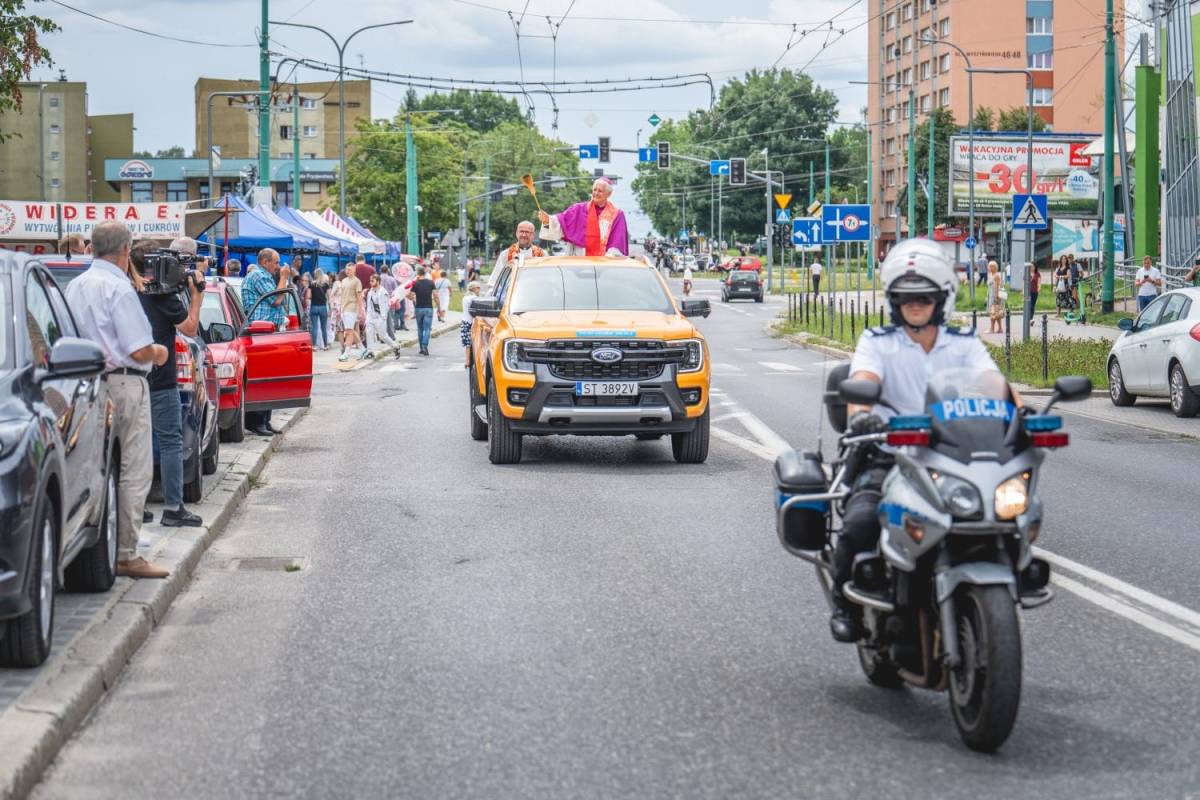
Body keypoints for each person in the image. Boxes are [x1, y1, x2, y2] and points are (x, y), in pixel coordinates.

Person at [829, 238, 1000, 642]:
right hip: (889, 458)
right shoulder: (878, 341)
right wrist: (863, 418)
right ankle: (845, 603)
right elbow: (864, 380)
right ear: (894, 300)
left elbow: (994, 383)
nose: (916, 304)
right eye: (906, 298)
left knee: (1003, 513)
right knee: (858, 524)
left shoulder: (964, 344)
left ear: (942, 298)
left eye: (924, 296)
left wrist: (1020, 411)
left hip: (955, 459)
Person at [64, 221, 172, 579]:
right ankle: (127, 552)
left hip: (86, 384)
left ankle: (99, 545)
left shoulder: (76, 286)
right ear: (126, 250)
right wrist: (159, 352)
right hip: (125, 383)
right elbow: (138, 349)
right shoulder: (119, 289)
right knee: (134, 470)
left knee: (95, 469)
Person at [131, 239, 206, 528]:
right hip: (160, 378)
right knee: (171, 442)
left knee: (134, 444)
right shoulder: (162, 296)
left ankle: (137, 505)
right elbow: (189, 328)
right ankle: (173, 508)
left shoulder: (127, 290)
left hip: (130, 376)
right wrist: (197, 296)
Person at [241, 248, 292, 435]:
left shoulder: (265, 276)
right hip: (260, 331)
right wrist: (284, 277)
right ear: (265, 262)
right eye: (276, 262)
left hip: (268, 330)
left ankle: (266, 420)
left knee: (271, 375)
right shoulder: (259, 276)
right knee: (263, 375)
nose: (278, 266)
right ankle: (257, 421)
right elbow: (276, 300)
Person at [537, 177, 630, 256]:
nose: (596, 193)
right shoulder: (578, 209)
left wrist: (609, 258)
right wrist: (547, 220)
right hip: (578, 259)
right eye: (595, 190)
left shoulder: (617, 215)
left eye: (600, 191)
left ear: (608, 194)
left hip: (603, 262)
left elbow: (617, 241)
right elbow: (561, 222)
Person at [336, 264, 365, 362]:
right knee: (351, 330)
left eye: (349, 269)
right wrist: (340, 309)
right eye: (346, 269)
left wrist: (361, 310)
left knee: (348, 331)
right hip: (344, 309)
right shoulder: (343, 281)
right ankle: (362, 349)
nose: (348, 271)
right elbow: (342, 296)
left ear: (354, 270)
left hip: (352, 308)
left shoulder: (357, 281)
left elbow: (359, 296)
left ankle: (346, 353)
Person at [409, 265, 438, 356]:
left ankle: (421, 348)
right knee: (427, 328)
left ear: (418, 273)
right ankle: (425, 345)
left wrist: (408, 293)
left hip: (418, 308)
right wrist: (439, 307)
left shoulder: (415, 283)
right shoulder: (431, 282)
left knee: (420, 329)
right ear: (425, 274)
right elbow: (435, 295)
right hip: (429, 308)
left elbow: (411, 297)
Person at [364, 273, 396, 356]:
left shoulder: (383, 292)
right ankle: (370, 351)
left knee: (383, 336)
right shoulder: (370, 292)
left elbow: (385, 306)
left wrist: (383, 318)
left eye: (372, 281)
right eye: (370, 281)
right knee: (369, 333)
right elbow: (369, 305)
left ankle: (395, 346)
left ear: (378, 281)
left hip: (380, 317)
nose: (370, 282)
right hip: (371, 317)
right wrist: (367, 317)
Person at [461, 280, 482, 367]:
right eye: (478, 288)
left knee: (467, 344)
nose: (479, 290)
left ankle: (467, 360)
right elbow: (476, 311)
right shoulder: (474, 298)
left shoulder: (465, 298)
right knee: (477, 342)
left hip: (465, 322)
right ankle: (477, 360)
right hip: (473, 323)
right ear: (474, 289)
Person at [308, 270, 329, 350]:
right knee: (324, 327)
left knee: (314, 327)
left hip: (314, 307)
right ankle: (326, 346)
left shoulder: (312, 284)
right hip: (323, 307)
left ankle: (314, 346)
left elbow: (309, 296)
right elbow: (329, 296)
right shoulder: (326, 285)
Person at [986, 260, 1004, 334]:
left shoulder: (996, 275)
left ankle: (992, 329)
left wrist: (996, 297)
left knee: (992, 313)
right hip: (991, 296)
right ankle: (1000, 329)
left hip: (994, 297)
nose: (988, 268)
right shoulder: (992, 275)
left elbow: (998, 286)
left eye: (990, 266)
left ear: (994, 267)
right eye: (989, 266)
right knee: (996, 313)